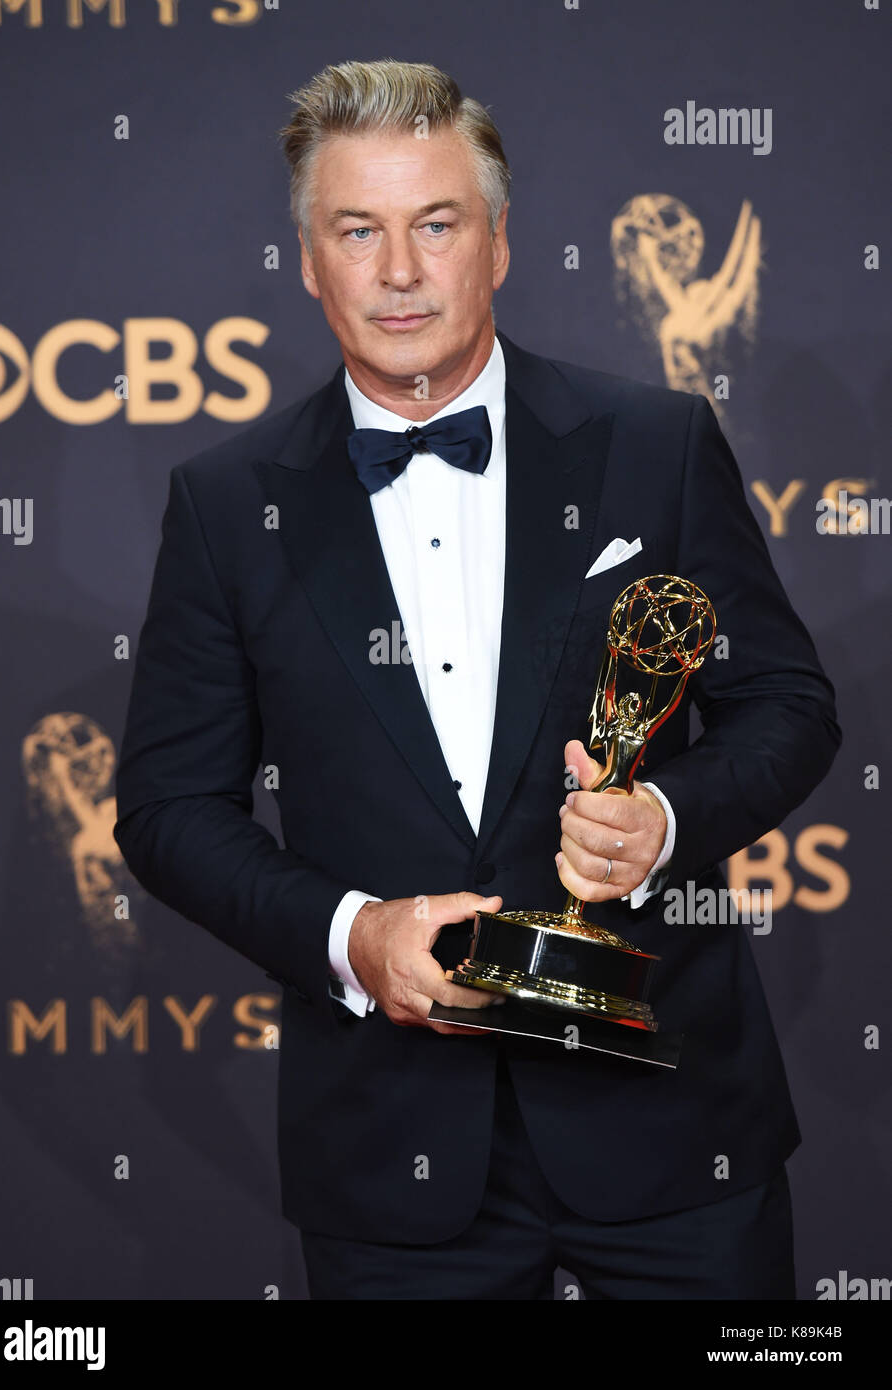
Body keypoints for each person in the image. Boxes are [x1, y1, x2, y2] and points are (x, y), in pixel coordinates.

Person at [113, 58, 841, 1300]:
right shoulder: (227, 505)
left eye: (435, 225)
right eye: (359, 230)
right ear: (309, 258)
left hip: (668, 1123)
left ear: (498, 244)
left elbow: (784, 703)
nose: (399, 270)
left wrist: (663, 821)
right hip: (390, 1151)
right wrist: (356, 936)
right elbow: (169, 808)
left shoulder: (652, 444)